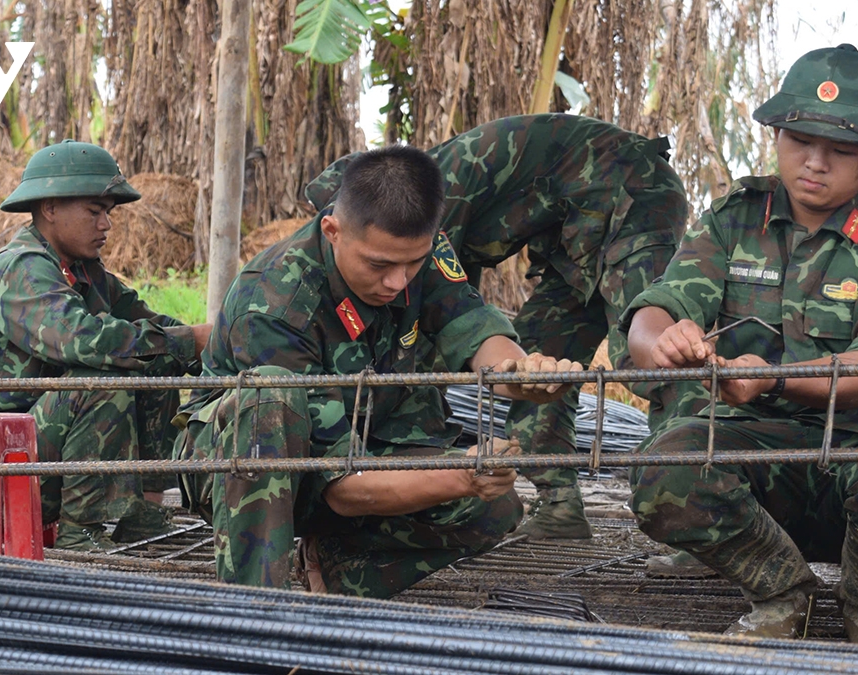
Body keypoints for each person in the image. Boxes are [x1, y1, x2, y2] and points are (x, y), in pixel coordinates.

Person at [622, 45, 858, 646]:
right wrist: (665, 339)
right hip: (754, 447)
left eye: (840, 150)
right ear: (778, 133)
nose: (814, 163)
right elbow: (655, 313)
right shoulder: (734, 218)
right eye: (797, 140)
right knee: (666, 470)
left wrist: (775, 378)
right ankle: (782, 593)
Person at [173, 145, 581, 597]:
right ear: (332, 230)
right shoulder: (274, 300)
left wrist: (521, 374)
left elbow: (473, 330)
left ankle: (335, 571)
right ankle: (257, 608)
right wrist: (462, 474)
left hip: (363, 447)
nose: (398, 282)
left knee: (493, 508)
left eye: (414, 262)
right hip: (249, 464)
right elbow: (342, 487)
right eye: (379, 265)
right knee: (271, 401)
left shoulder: (414, 253)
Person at [304, 113, 694, 540]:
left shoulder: (424, 202)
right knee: (536, 362)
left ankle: (699, 511)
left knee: (655, 352)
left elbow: (441, 323)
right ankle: (560, 507)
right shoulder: (405, 224)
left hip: (633, 194)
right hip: (571, 236)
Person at [0, 140, 210, 552]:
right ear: (50, 208)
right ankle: (80, 533)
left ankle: (143, 512)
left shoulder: (85, 271)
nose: (106, 224)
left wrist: (211, 345)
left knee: (155, 357)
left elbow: (149, 326)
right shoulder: (23, 269)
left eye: (108, 212)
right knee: (101, 378)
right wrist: (187, 340)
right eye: (94, 211)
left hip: (42, 454)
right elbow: (82, 341)